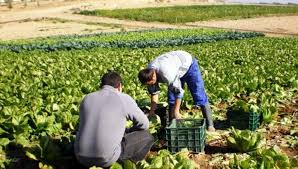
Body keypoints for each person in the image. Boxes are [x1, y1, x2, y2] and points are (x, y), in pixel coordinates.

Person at [74, 71, 154, 168]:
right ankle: (126, 164)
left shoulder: (87, 98)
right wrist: (131, 130)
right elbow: (144, 124)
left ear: (101, 85)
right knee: (147, 136)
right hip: (105, 159)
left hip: (80, 157)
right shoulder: (123, 98)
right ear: (120, 86)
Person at [138, 50, 215, 132]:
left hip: (188, 65)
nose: (150, 85)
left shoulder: (167, 74)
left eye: (151, 83)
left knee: (198, 94)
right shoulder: (148, 73)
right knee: (171, 99)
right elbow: (154, 93)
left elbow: (178, 92)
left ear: (154, 76)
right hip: (175, 66)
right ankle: (173, 125)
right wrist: (152, 112)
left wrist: (176, 111)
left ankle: (210, 125)